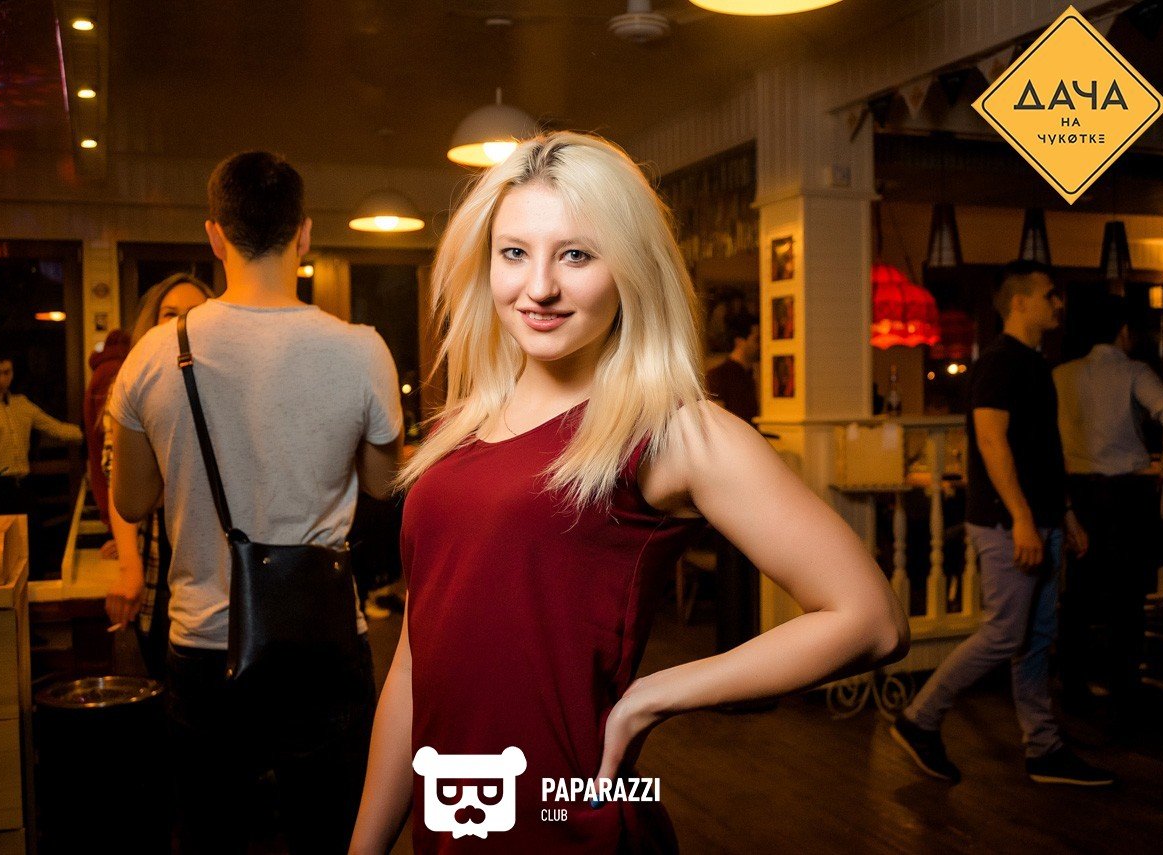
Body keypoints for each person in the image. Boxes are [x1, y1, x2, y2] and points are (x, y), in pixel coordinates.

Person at [349, 132, 908, 854]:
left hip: (572, 815)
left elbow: (870, 618)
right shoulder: (458, 431)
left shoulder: (674, 430)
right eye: (514, 252)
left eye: (577, 255)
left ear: (630, 268)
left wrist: (653, 695)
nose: (539, 286)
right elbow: (415, 662)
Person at [110, 151, 403, 854]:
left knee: (212, 837)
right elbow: (381, 483)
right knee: (331, 833)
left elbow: (133, 500)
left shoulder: (154, 353)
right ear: (304, 234)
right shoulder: (363, 350)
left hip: (205, 645)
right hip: (324, 640)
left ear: (216, 236)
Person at [892, 260, 1115, 787]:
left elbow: (1041, 450)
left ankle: (1043, 747)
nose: (1058, 303)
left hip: (1040, 519)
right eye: (1048, 294)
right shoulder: (998, 363)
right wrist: (1021, 519)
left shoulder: (1035, 363)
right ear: (1019, 302)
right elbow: (992, 442)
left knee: (1036, 636)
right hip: (1006, 522)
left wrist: (1063, 513)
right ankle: (919, 718)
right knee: (1004, 633)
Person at [1053, 295, 1163, 722]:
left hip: (1078, 491)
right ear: (1123, 331)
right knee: (1128, 596)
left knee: (1079, 593)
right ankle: (1125, 689)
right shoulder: (1133, 371)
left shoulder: (1061, 375)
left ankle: (1072, 684)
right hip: (1126, 493)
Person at [103, 274, 214, 677]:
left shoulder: (222, 382)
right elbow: (121, 485)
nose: (180, 324)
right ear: (152, 323)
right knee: (163, 671)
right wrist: (129, 565)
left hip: (218, 558)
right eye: (169, 314)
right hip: (159, 549)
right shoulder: (133, 382)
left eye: (194, 314)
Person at [0, 349, 83, 514]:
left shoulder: (22, 404)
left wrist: (93, 433)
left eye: (7, 372)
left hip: (22, 485)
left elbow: (56, 428)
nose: (2, 379)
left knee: (28, 529)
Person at [85, 328, 131, 539]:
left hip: (106, 492)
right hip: (120, 503)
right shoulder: (118, 371)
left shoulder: (100, 371)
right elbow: (114, 450)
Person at [705, 310, 760, 425]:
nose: (760, 345)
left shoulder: (750, 374)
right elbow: (717, 422)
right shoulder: (718, 375)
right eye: (756, 339)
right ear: (739, 341)